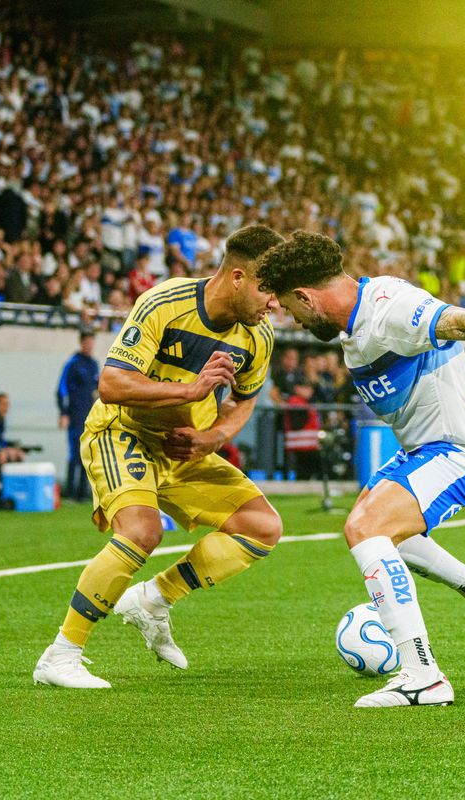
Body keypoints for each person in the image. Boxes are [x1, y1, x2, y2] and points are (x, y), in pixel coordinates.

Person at [256, 231, 465, 707]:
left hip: (463, 450)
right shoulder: (353, 326)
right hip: (425, 450)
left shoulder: (388, 309)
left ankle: (422, 673)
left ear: (306, 296)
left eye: (288, 307)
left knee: (366, 529)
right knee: (372, 524)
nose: (291, 318)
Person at [32, 224, 285, 690]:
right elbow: (111, 383)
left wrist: (213, 438)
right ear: (236, 277)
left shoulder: (258, 337)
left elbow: (243, 400)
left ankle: (153, 599)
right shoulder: (165, 304)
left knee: (263, 528)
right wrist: (189, 389)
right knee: (142, 531)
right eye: (269, 291)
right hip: (123, 431)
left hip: (184, 447)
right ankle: (61, 655)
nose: (276, 304)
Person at [57, 332, 100, 501]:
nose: (89, 345)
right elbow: (61, 389)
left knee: (87, 454)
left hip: (90, 417)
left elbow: (97, 392)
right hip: (75, 416)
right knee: (74, 453)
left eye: (92, 342)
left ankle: (83, 492)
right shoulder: (73, 364)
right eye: (87, 342)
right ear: (81, 342)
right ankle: (70, 492)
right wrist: (63, 413)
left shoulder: (94, 365)